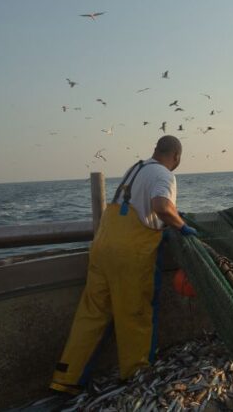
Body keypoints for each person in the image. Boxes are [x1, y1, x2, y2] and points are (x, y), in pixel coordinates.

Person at [50, 135, 197, 394]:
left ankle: (65, 378)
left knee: (92, 314)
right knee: (135, 314)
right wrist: (183, 226)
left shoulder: (136, 168)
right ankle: (136, 377)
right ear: (176, 157)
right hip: (130, 255)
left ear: (155, 149)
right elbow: (161, 206)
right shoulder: (164, 174)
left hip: (102, 247)